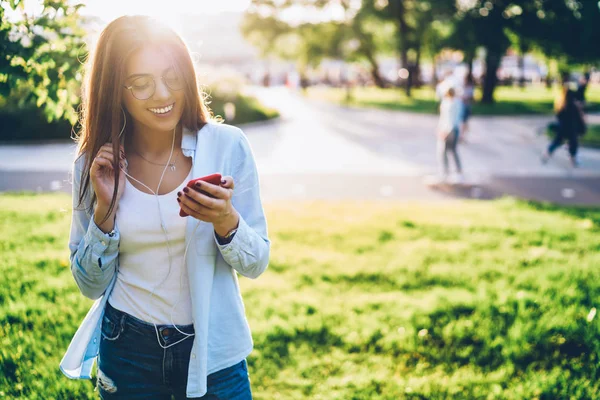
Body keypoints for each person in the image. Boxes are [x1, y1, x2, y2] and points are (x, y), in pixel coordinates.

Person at [60, 15, 270, 399]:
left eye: (172, 77)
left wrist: (227, 221)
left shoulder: (226, 146)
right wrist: (104, 212)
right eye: (141, 84)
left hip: (214, 353)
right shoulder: (94, 165)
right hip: (127, 350)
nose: (162, 94)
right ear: (114, 90)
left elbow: (257, 262)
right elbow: (89, 285)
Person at [542, 86, 586, 167]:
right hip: (571, 128)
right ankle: (573, 159)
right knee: (573, 143)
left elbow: (559, 116)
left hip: (562, 128)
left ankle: (547, 153)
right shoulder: (573, 107)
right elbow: (578, 117)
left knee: (557, 142)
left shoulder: (560, 106)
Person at [437, 86, 463, 182]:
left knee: (446, 150)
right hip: (450, 129)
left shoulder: (452, 104)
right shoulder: (451, 103)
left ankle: (446, 172)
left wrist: (445, 131)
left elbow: (451, 119)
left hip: (450, 129)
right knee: (450, 150)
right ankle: (454, 171)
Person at [459, 74, 475, 142]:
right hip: (466, 106)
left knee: (464, 122)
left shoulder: (468, 87)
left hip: (465, 106)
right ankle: (463, 135)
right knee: (464, 122)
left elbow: (467, 97)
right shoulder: (470, 87)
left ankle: (462, 136)